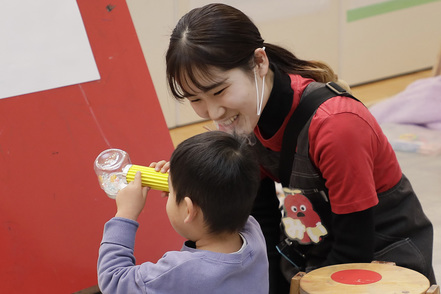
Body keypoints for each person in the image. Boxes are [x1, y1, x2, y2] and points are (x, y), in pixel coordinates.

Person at [165, 3, 436, 293]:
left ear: (259, 62)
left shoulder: (336, 125)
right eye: (195, 99)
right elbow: (260, 224)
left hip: (381, 259)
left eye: (219, 91)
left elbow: (354, 248)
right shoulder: (243, 120)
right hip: (317, 251)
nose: (214, 112)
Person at [97, 131, 269, 294]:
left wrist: (125, 214)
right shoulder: (253, 231)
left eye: (170, 191)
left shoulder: (180, 270)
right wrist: (184, 182)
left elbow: (113, 279)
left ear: (188, 210)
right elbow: (224, 192)